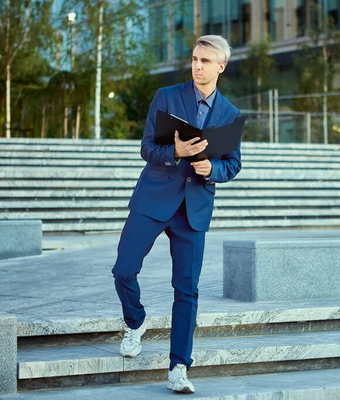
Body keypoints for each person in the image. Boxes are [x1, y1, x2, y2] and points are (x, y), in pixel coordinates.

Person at [111, 35, 241, 394]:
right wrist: (176, 151)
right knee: (123, 269)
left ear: (221, 66)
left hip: (194, 210)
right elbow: (147, 147)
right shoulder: (166, 96)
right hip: (154, 199)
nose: (197, 66)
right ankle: (135, 321)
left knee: (187, 290)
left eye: (205, 60)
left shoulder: (230, 114)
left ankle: (179, 366)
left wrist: (211, 170)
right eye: (195, 59)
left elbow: (233, 164)